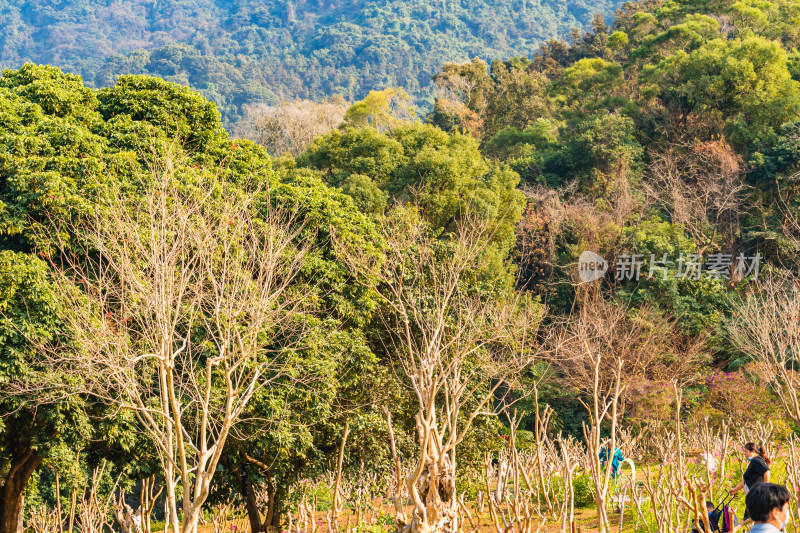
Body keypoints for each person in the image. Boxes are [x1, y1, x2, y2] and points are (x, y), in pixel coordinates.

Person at [730, 443, 771, 520]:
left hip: (756, 498)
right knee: (749, 520)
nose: (744, 454)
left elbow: (767, 471)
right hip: (752, 497)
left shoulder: (757, 460)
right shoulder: (754, 462)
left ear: (752, 451)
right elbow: (745, 482)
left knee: (750, 520)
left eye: (745, 451)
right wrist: (735, 489)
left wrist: (765, 488)